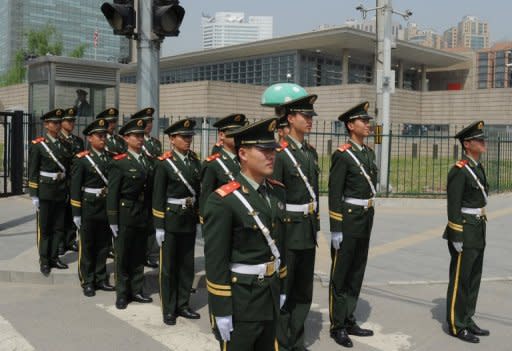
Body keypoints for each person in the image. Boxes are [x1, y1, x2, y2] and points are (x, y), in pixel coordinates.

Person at [203, 117, 287, 350]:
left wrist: (283, 286)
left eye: (273, 150)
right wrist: (220, 310)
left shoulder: (277, 193)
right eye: (264, 150)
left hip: (270, 293)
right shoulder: (224, 201)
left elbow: (281, 246)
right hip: (241, 300)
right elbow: (216, 262)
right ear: (243, 154)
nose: (271, 155)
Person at [328, 102, 378, 348]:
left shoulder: (368, 152)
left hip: (366, 216)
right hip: (348, 219)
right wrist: (336, 228)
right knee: (342, 272)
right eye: (364, 121)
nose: (368, 125)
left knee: (357, 270)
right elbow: (335, 192)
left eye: (368, 121)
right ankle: (337, 325)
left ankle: (349, 318)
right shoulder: (342, 155)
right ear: (350, 125)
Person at [272, 89, 320, 351]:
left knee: (303, 291)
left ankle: (297, 340)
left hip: (307, 229)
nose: (310, 120)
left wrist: (318, 227)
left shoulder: (310, 152)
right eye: (305, 115)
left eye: (311, 116)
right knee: (284, 291)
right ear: (290, 119)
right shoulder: (280, 153)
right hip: (288, 231)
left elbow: (315, 196)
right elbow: (275, 199)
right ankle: (281, 341)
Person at [152, 118, 202, 326]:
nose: (188, 140)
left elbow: (198, 191)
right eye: (184, 137)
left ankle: (183, 303)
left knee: (186, 265)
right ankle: (169, 308)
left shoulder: (193, 160)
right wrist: (159, 225)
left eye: (190, 137)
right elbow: (158, 196)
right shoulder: (164, 164)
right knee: (169, 267)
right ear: (172, 139)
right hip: (171, 220)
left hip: (188, 219)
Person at [444, 120, 490, 343]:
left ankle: (467, 317)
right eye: (479, 140)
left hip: (478, 228)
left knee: (473, 278)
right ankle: (456, 323)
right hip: (465, 229)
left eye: (483, 139)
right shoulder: (460, 170)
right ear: (467, 144)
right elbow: (453, 205)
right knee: (461, 279)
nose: (483, 142)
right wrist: (456, 234)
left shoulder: (476, 167)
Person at [107, 118, 153, 309]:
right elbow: (113, 193)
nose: (140, 139)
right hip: (126, 213)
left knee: (138, 254)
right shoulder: (120, 163)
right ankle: (122, 293)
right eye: (136, 136)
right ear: (126, 138)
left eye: (142, 135)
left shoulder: (148, 162)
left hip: (142, 213)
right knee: (123, 255)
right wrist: (113, 219)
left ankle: (137, 289)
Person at [70, 118, 115, 297]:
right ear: (90, 138)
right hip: (89, 206)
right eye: (99, 136)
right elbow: (75, 187)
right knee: (87, 245)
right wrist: (76, 213)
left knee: (104, 245)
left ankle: (101, 277)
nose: (103, 139)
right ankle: (87, 280)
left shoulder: (111, 158)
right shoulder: (82, 160)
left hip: (105, 207)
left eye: (104, 135)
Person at [28, 108, 72, 276]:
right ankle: (44, 260)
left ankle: (54, 257)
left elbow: (67, 169)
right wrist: (34, 194)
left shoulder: (64, 144)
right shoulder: (39, 145)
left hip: (60, 190)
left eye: (60, 122)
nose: (58, 125)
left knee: (58, 227)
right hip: (45, 190)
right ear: (46, 125)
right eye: (54, 122)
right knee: (45, 228)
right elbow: (33, 170)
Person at [199, 113, 247, 218]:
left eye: (239, 131)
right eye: (233, 132)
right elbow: (206, 198)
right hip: (223, 217)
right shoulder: (213, 164)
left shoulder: (246, 160)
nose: (237, 135)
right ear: (221, 135)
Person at [130, 107, 161, 269]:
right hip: (137, 189)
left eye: (150, 122)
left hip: (152, 187)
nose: (148, 125)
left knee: (151, 223)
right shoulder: (131, 143)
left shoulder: (156, 143)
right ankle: (140, 254)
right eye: (146, 122)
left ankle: (151, 254)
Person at [58, 107, 84, 255]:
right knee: (61, 212)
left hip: (75, 181)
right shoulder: (58, 140)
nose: (72, 123)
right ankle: (60, 242)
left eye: (73, 120)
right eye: (69, 120)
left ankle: (70, 239)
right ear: (61, 122)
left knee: (73, 210)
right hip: (62, 181)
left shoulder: (78, 141)